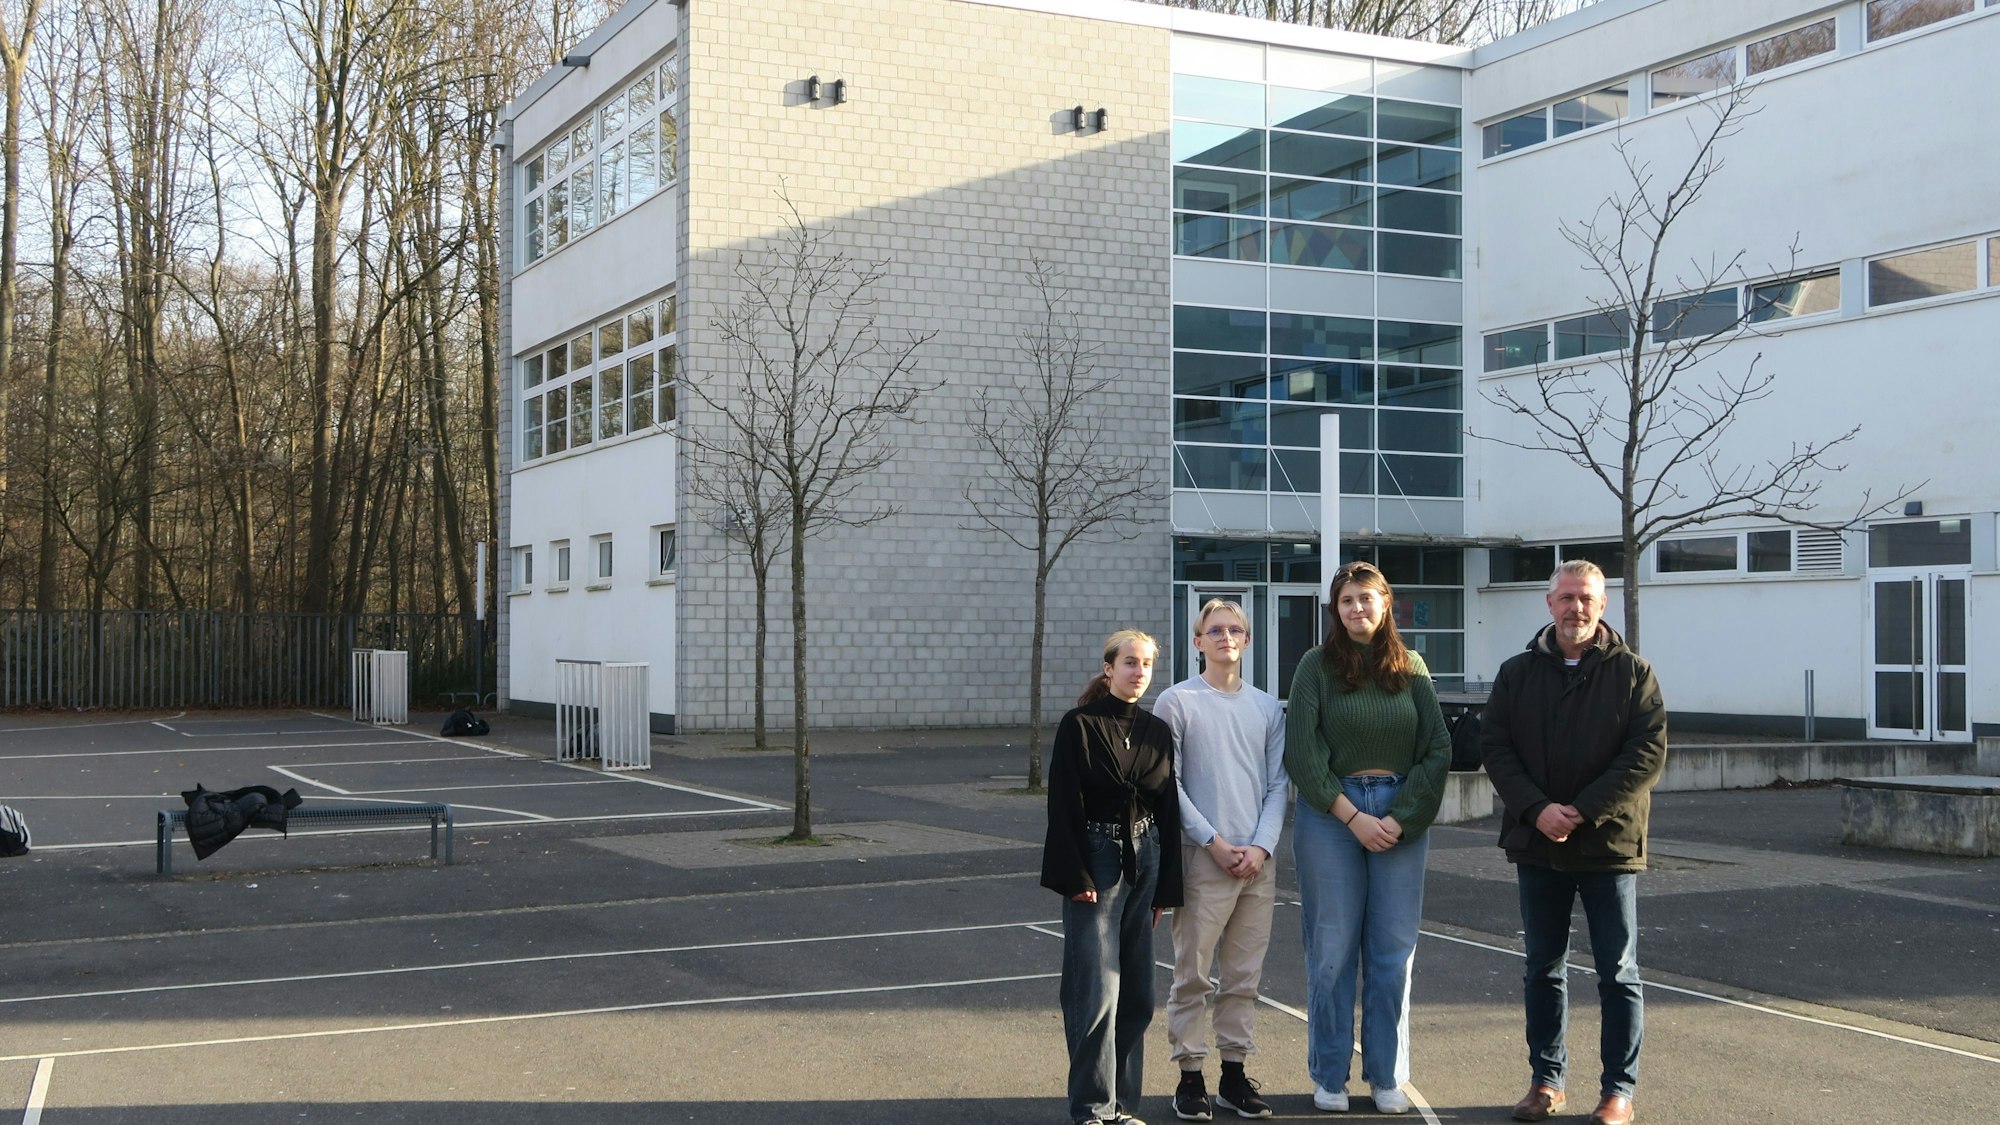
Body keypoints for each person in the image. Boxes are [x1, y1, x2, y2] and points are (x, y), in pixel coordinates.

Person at [1481, 560, 1667, 1125]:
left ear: (1603, 604)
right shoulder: (1516, 674)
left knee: (1617, 971)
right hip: (1538, 845)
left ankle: (1618, 1091)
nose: (1575, 608)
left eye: (1585, 598)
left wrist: (1580, 811)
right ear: (1549, 603)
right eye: (1565, 597)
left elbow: (1645, 755)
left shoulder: (1634, 674)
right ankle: (1546, 1081)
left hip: (1607, 845)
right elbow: (1497, 748)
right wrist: (1537, 810)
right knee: (1542, 967)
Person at [1285, 561, 1452, 1116]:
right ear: (1336, 609)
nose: (1357, 608)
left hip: (1400, 814)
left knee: (1392, 954)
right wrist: (1352, 816)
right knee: (1330, 950)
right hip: (1332, 814)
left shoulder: (1412, 668)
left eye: (1367, 598)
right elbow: (1302, 754)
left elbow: (1437, 749)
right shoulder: (1315, 667)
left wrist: (1402, 817)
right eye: (1347, 600)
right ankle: (1329, 1074)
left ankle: (1386, 1075)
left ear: (1387, 604)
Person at [1043, 629, 1185, 1125]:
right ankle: (1091, 1108)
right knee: (1095, 992)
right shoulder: (1078, 725)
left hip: (1145, 857)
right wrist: (1075, 871)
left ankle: (1122, 1107)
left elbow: (1167, 809)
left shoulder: (1156, 730)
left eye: (1146, 663)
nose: (1139, 671)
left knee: (1139, 994)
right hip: (1097, 859)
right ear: (1108, 669)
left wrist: (1166, 885)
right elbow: (1062, 803)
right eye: (1129, 662)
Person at [1154, 600, 1287, 1121]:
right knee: (1192, 973)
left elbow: (1278, 783)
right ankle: (1190, 1076)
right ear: (1198, 642)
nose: (1226, 637)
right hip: (1202, 859)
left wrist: (1261, 846)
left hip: (1257, 862)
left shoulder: (1267, 707)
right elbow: (1171, 782)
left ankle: (1234, 1075)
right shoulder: (1176, 702)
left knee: (1243, 976)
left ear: (1248, 641)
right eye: (1215, 630)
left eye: (1235, 630)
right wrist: (1212, 841)